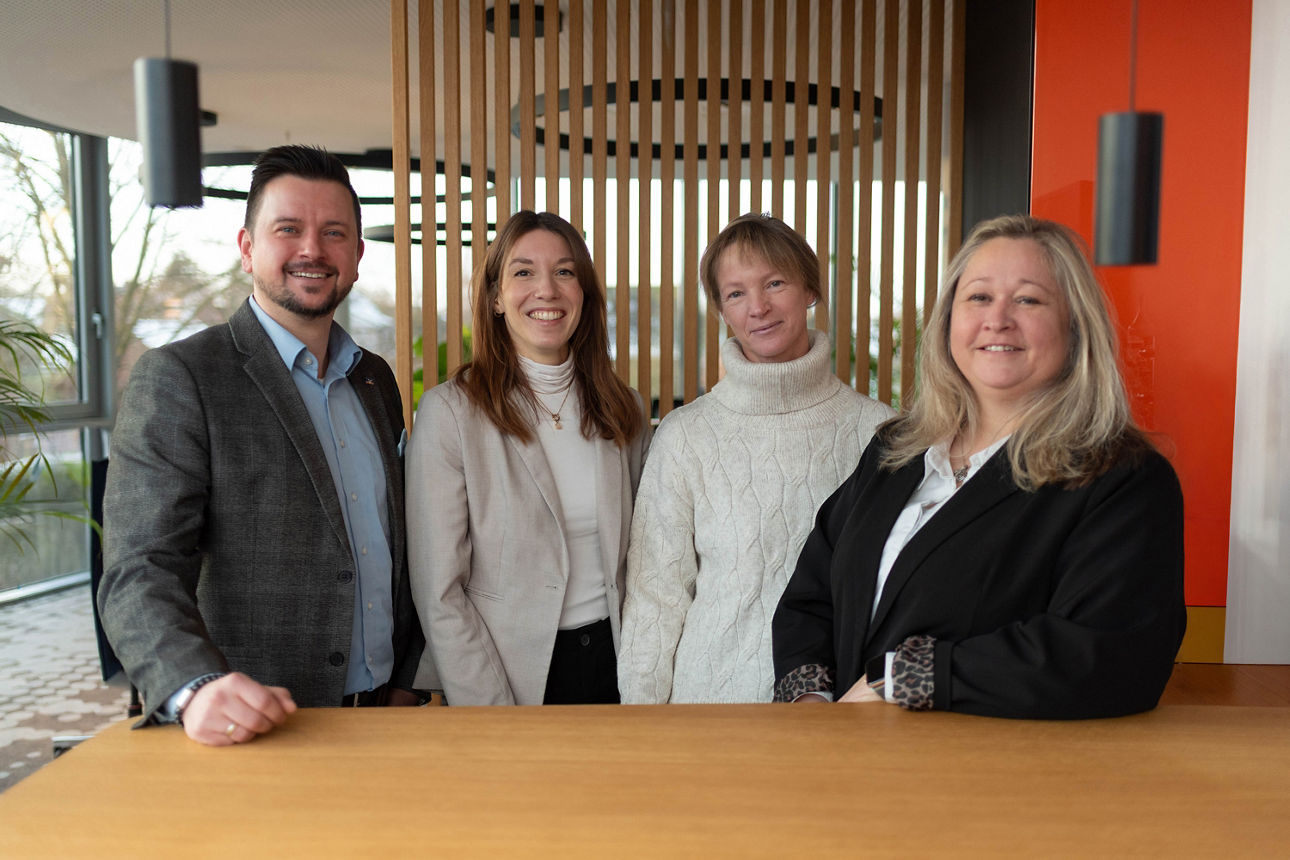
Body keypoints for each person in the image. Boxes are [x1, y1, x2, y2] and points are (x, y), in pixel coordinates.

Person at [772, 214, 1186, 719]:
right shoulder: (895, 451)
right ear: (948, 321)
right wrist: (811, 700)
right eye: (978, 297)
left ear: (1075, 327)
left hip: (993, 783)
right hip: (853, 765)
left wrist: (905, 678)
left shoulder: (1122, 478)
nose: (998, 319)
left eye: (1029, 299)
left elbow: (1111, 655)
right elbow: (812, 596)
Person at [99, 145, 424, 746]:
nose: (312, 250)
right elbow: (139, 568)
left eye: (334, 233)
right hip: (256, 726)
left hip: (388, 716)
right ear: (248, 248)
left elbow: (396, 542)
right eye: (288, 230)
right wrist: (193, 687)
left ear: (356, 253)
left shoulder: (374, 378)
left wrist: (407, 677)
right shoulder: (182, 376)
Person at [617, 213, 893, 703]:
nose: (759, 307)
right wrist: (642, 721)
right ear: (722, 310)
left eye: (775, 283)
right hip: (708, 709)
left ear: (809, 289)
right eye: (736, 293)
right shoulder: (686, 435)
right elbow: (656, 598)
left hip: (839, 712)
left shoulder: (881, 433)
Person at [406, 210, 650, 706]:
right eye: (523, 272)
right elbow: (439, 593)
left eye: (565, 272)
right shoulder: (450, 412)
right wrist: (492, 710)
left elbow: (644, 561)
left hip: (619, 667)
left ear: (583, 293)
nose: (547, 290)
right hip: (507, 678)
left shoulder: (623, 407)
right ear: (496, 298)